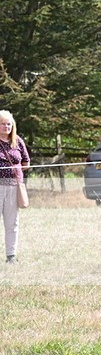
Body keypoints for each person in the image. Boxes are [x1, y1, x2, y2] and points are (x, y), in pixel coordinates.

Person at [0, 110, 30, 265]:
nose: (6, 126)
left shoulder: (17, 141)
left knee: (12, 223)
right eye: (3, 124)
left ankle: (11, 256)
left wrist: (16, 170)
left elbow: (26, 162)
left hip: (13, 187)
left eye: (9, 124)